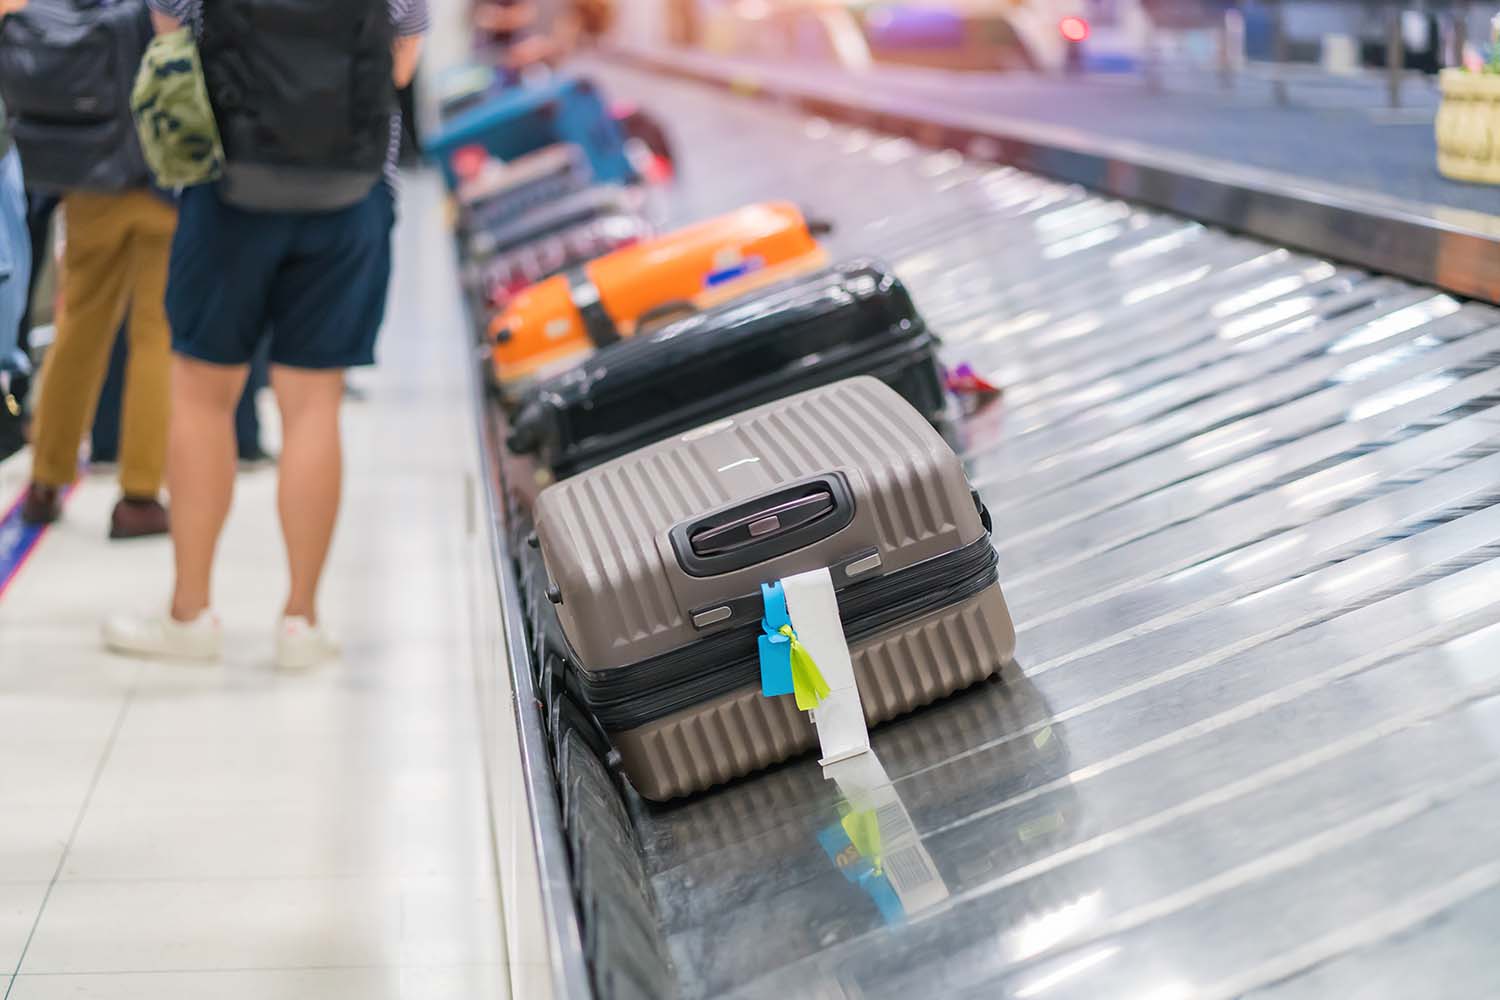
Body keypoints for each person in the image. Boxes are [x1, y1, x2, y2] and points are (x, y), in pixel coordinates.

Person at [103, 0, 427, 669]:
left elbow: (171, 44)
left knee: (202, 396)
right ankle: (300, 623)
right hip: (351, 195)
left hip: (229, 192)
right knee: (313, 404)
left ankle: (190, 614)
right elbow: (402, 65)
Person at [6, 0, 176, 539]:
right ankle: (140, 496)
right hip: (164, 173)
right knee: (157, 334)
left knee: (78, 322)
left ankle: (45, 480)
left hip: (88, 176)